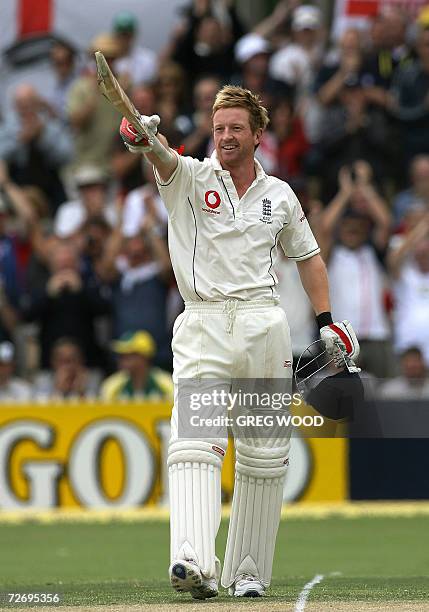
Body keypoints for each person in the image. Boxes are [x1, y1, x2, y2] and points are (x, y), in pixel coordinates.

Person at [119, 85, 359, 599]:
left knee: (264, 457)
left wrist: (326, 320)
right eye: (219, 127)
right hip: (204, 322)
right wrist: (143, 139)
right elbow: (161, 158)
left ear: (257, 134)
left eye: (235, 128)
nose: (225, 136)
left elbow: (309, 257)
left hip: (262, 326)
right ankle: (192, 560)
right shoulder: (189, 176)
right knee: (194, 443)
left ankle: (246, 572)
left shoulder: (280, 196)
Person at [100, 331, 173, 401]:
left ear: (144, 357)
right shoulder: (112, 386)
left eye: (129, 355)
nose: (122, 361)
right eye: (121, 356)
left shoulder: (166, 384)